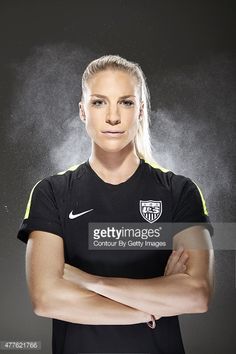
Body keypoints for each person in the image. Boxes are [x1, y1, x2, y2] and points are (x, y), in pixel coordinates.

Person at [17, 54, 215, 354]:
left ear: (141, 110)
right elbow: (46, 299)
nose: (113, 116)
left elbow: (197, 295)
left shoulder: (180, 192)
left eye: (126, 102)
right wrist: (149, 310)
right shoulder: (51, 193)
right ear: (83, 111)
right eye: (99, 102)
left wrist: (90, 282)